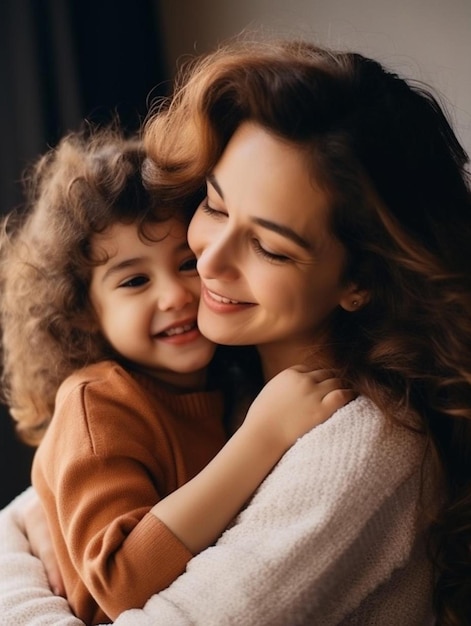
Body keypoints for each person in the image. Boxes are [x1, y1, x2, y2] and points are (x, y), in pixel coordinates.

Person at [1, 34, 471, 625]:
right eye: (216, 207)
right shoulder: (221, 375)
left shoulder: (365, 445)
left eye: (270, 248)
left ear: (362, 280)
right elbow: (39, 512)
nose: (207, 264)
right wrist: (33, 533)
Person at [0, 125, 350, 624]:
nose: (176, 295)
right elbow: (122, 584)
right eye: (135, 280)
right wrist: (264, 435)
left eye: (187, 262)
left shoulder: (227, 381)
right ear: (84, 312)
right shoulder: (97, 405)